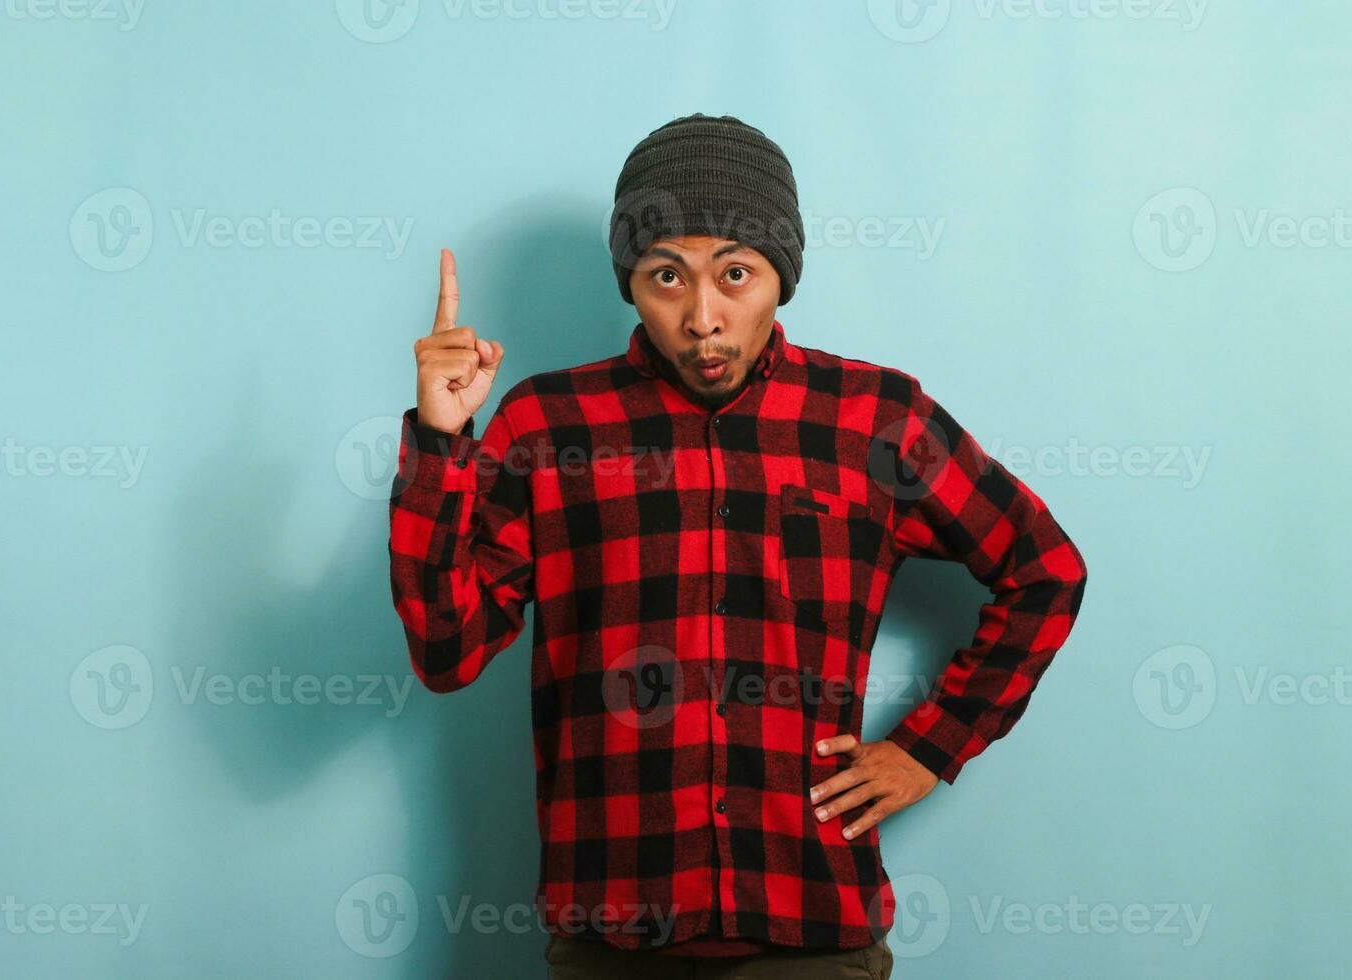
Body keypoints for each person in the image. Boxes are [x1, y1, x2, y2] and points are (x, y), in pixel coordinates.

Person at [387, 112, 1089, 979]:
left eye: (735, 274)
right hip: (614, 938)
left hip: (810, 929)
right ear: (631, 284)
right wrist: (439, 441)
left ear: (780, 278)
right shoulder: (548, 424)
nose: (703, 317)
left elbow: (1046, 570)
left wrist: (927, 749)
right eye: (667, 276)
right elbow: (445, 649)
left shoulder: (874, 420)